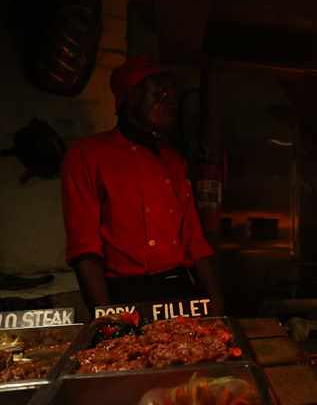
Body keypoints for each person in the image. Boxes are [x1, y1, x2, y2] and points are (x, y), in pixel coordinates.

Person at [61, 57, 225, 312]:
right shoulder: (87, 155)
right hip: (124, 293)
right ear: (128, 97)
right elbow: (85, 250)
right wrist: (105, 317)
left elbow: (194, 239)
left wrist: (216, 302)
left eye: (172, 94)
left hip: (179, 287)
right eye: (158, 92)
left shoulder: (174, 160)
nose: (170, 101)